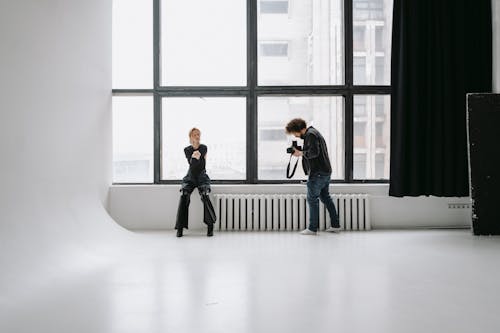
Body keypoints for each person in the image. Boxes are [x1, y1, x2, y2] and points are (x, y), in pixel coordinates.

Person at [285, 118, 341, 235]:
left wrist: (301, 153)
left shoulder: (310, 135)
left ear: (299, 129)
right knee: (326, 198)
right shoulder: (314, 133)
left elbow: (314, 153)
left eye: (294, 133)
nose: (295, 136)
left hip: (318, 173)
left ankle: (312, 228)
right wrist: (302, 151)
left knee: (312, 200)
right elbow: (314, 151)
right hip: (325, 171)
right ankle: (336, 225)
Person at [175, 128, 216, 237]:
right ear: (190, 137)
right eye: (194, 135)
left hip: (202, 176)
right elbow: (192, 165)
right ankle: (180, 228)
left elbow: (200, 165)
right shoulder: (187, 149)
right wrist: (195, 158)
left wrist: (195, 158)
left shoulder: (204, 148)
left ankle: (210, 226)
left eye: (198, 134)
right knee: (184, 194)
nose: (197, 136)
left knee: (205, 194)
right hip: (191, 177)